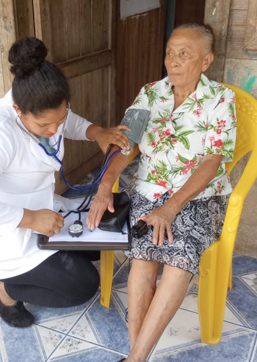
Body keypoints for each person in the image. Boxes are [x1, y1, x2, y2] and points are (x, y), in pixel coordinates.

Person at [87, 23, 237, 362]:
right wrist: (104, 186)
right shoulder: (150, 93)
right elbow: (125, 145)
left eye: (184, 54)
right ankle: (137, 356)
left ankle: (135, 358)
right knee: (144, 258)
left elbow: (212, 162)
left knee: (177, 258)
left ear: (206, 60)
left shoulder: (220, 100)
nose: (173, 61)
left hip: (200, 196)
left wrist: (170, 208)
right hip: (150, 190)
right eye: (170, 53)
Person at [0, 37, 131, 328]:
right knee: (81, 285)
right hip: (6, 233)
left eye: (60, 119)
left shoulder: (46, 106)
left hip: (42, 207)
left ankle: (51, 253)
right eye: (44, 126)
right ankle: (3, 290)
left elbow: (69, 121)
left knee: (101, 239)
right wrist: (30, 219)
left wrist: (97, 132)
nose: (55, 130)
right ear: (18, 110)